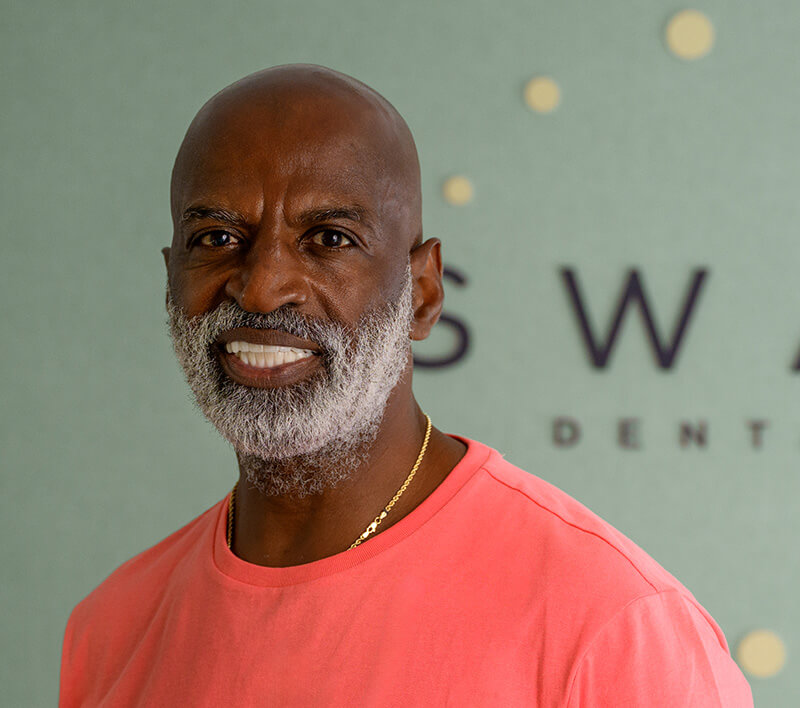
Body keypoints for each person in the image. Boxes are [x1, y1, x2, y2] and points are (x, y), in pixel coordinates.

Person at [59, 64, 753, 706]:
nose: (263, 287)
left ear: (421, 292)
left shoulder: (612, 627)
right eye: (215, 237)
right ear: (171, 277)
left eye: (329, 239)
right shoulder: (110, 629)